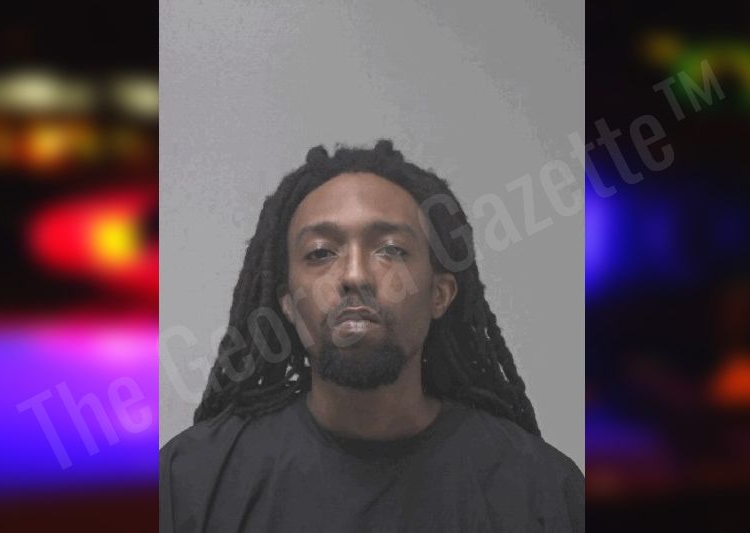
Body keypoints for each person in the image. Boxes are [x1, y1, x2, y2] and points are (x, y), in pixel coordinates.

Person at [160, 140, 584, 532]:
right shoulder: (191, 481)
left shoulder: (543, 493)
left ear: (439, 294)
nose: (355, 275)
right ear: (287, 303)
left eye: (391, 250)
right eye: (321, 253)